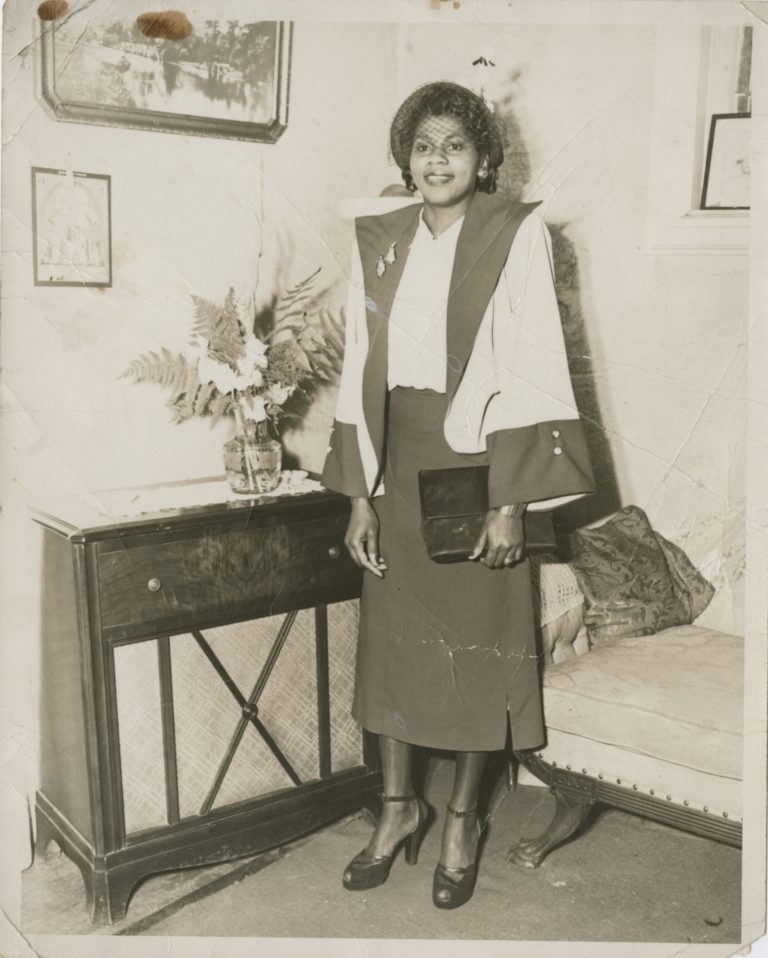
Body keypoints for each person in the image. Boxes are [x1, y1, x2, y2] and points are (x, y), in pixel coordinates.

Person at [321, 81, 594, 910]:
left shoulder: (515, 234)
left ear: (483, 159)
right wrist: (360, 491)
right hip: (396, 457)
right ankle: (399, 810)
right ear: (405, 157)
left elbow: (535, 360)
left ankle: (464, 820)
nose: (438, 159)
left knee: (480, 643)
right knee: (395, 642)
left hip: (478, 461)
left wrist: (511, 500)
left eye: (456, 145)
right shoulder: (379, 236)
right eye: (424, 144)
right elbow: (358, 367)